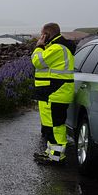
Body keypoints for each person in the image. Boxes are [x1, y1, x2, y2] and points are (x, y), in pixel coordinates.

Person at [31, 22, 76, 164]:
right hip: (52, 91)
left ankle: (56, 157)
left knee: (55, 126)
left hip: (54, 92)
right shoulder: (57, 47)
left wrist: (39, 46)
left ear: (47, 34)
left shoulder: (57, 48)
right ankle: (51, 153)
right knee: (52, 125)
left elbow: (37, 61)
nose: (40, 36)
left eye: (42, 34)